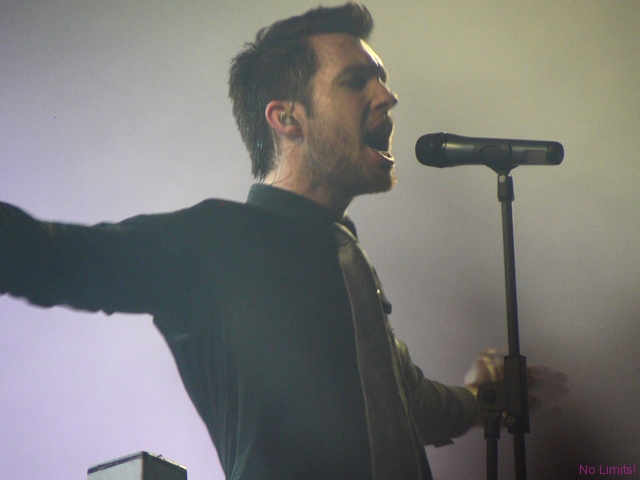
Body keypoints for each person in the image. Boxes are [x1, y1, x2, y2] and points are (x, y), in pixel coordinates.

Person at [1, 4, 517, 479]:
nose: (387, 96)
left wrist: (481, 396)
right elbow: (49, 255)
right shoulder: (216, 243)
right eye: (356, 81)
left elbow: (407, 401)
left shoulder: (347, 256)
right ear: (286, 118)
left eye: (381, 79)